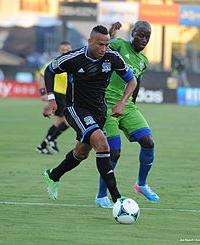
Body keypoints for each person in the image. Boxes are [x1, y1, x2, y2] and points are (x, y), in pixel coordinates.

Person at [42, 25, 137, 203]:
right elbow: (50, 70)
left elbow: (131, 80)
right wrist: (51, 99)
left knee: (81, 153)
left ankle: (53, 175)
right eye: (100, 44)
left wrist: (122, 102)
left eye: (107, 44)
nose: (104, 49)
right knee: (102, 144)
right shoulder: (74, 58)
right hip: (75, 108)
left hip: (99, 112)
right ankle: (118, 198)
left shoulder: (112, 57)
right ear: (90, 41)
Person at [95, 21, 160, 208]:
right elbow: (100, 49)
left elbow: (135, 82)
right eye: (141, 35)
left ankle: (141, 184)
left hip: (127, 106)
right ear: (132, 33)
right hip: (106, 105)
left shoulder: (144, 60)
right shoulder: (119, 45)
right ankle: (101, 196)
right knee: (113, 151)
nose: (144, 39)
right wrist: (110, 35)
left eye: (147, 37)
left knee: (148, 141)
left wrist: (132, 103)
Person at [36, 41, 72, 154]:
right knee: (69, 121)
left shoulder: (72, 63)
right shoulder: (54, 63)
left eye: (67, 49)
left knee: (58, 122)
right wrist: (43, 93)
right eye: (63, 49)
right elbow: (41, 76)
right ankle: (51, 139)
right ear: (59, 50)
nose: (65, 51)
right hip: (58, 95)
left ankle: (42, 146)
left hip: (67, 96)